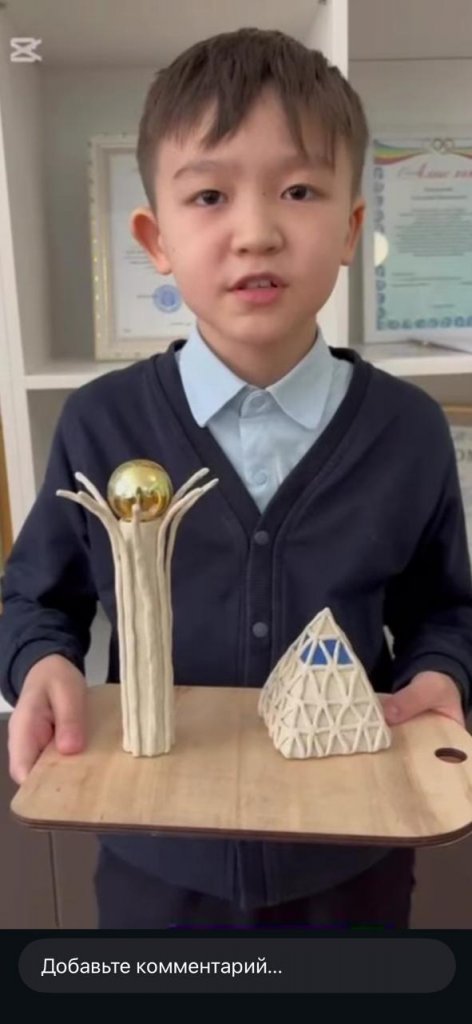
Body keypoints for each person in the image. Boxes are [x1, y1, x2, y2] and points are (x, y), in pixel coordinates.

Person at [2, 27, 472, 930]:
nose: (256, 232)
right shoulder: (100, 422)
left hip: (353, 857)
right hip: (153, 859)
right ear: (156, 239)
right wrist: (42, 662)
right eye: (209, 195)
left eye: (299, 191)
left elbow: (444, 611)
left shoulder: (409, 431)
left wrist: (441, 674)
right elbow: (36, 597)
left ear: (351, 229)